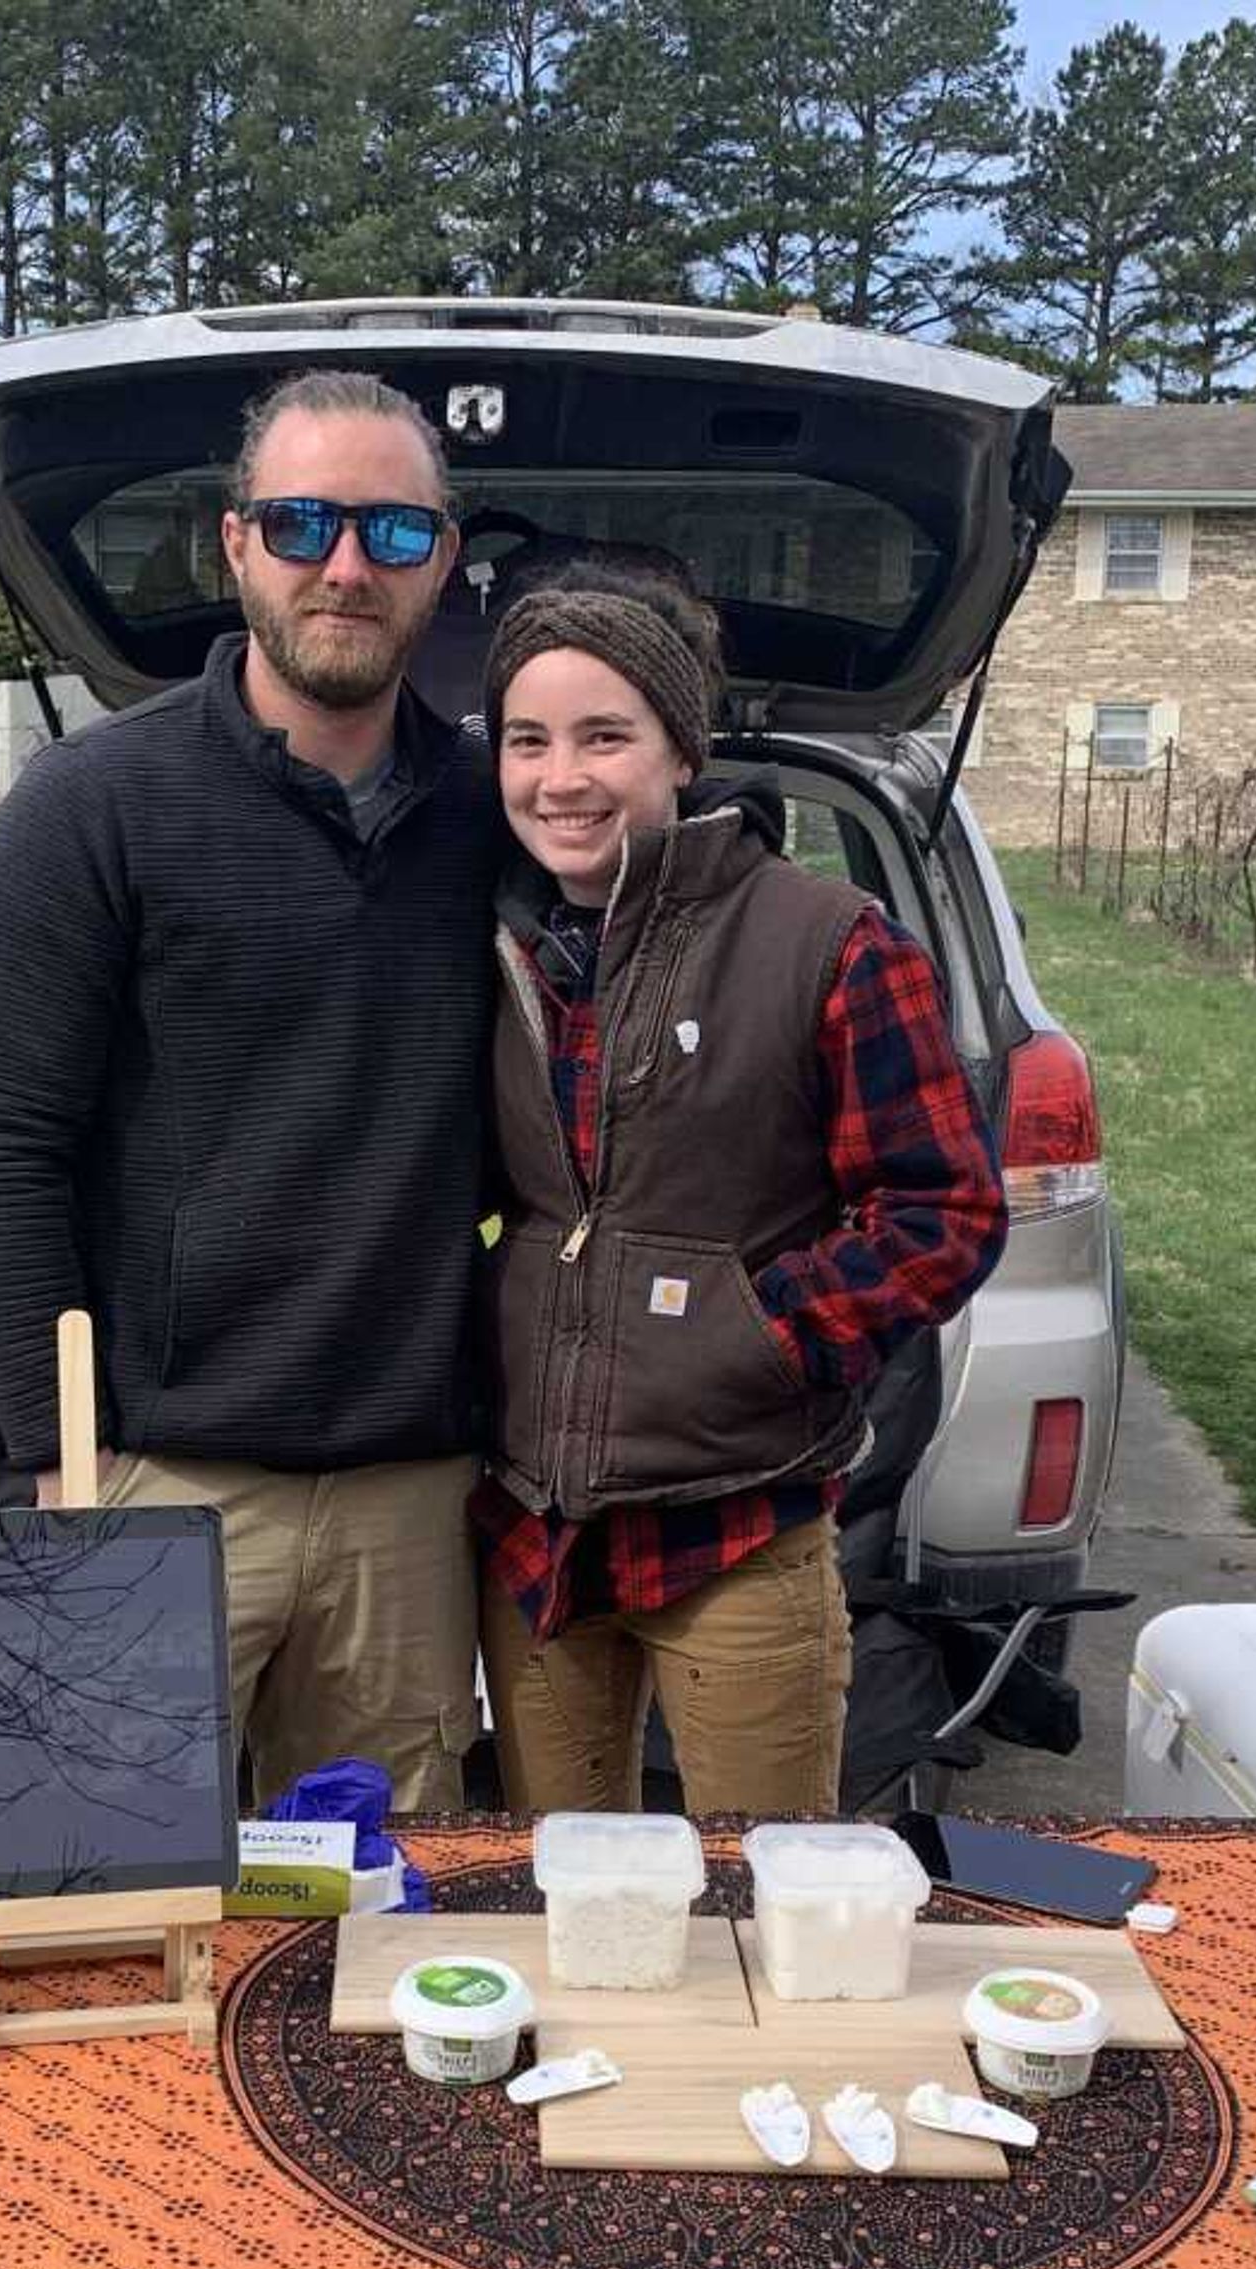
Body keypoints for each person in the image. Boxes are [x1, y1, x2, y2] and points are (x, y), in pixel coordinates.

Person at [0, 371, 500, 1806]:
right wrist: (63, 1467)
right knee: (96, 1897)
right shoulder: (88, 809)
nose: (348, 568)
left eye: (394, 532)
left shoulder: (498, 817)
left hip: (409, 1499)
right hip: (150, 1475)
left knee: (377, 1925)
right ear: (237, 543)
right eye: (306, 523)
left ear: (446, 558)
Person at [475, 561, 1005, 1814]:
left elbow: (946, 1213)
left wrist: (760, 1338)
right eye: (527, 740)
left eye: (606, 737)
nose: (562, 778)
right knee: (565, 1881)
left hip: (737, 1525)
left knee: (763, 1898)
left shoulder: (830, 940)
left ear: (678, 752)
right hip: (533, 1530)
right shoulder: (492, 947)